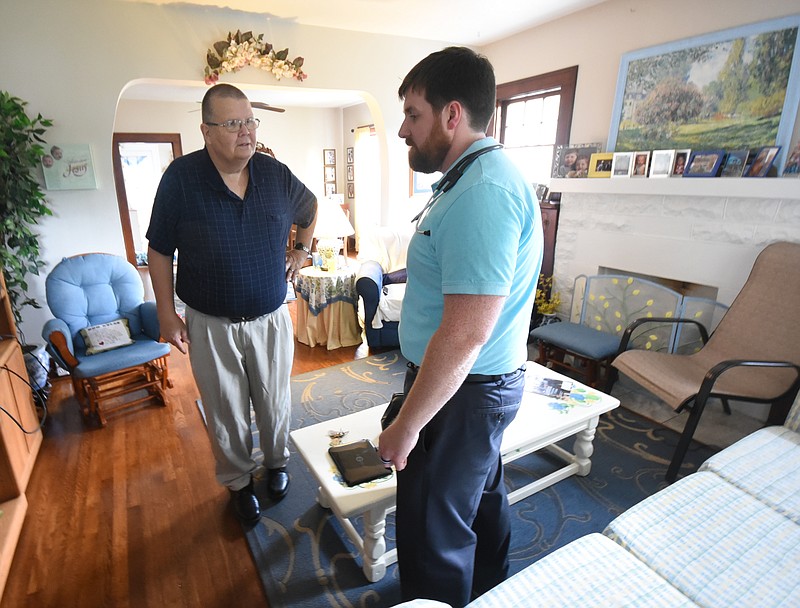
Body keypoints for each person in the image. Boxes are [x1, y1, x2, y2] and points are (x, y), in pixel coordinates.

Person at [379, 47, 542, 606]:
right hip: (475, 385)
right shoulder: (470, 178)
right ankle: (490, 592)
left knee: (433, 531)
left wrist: (406, 424)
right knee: (477, 502)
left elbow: (465, 333)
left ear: (452, 115)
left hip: (464, 389)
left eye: (412, 114)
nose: (402, 129)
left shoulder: (482, 193)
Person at [146, 84, 317, 526]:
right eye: (233, 123)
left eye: (250, 120)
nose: (246, 131)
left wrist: (302, 250)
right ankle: (240, 482)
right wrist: (167, 313)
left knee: (274, 400)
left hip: (272, 317)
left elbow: (310, 206)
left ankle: (276, 464)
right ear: (206, 130)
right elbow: (159, 250)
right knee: (225, 409)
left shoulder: (275, 174)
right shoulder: (180, 180)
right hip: (210, 322)